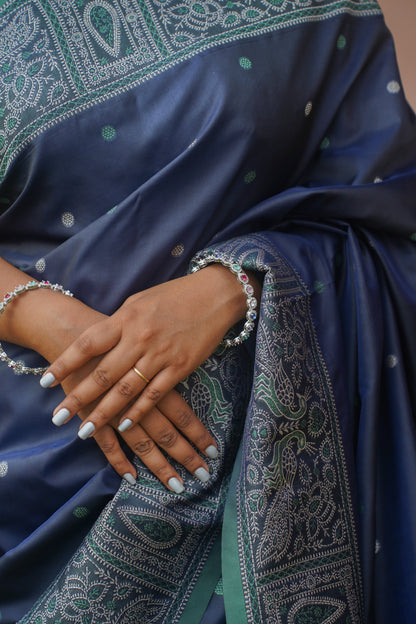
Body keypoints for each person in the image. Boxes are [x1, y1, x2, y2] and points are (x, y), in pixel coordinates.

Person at [0, 0, 415, 622]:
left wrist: (233, 286)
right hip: (30, 447)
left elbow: (387, 208)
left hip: (259, 456)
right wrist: (52, 325)